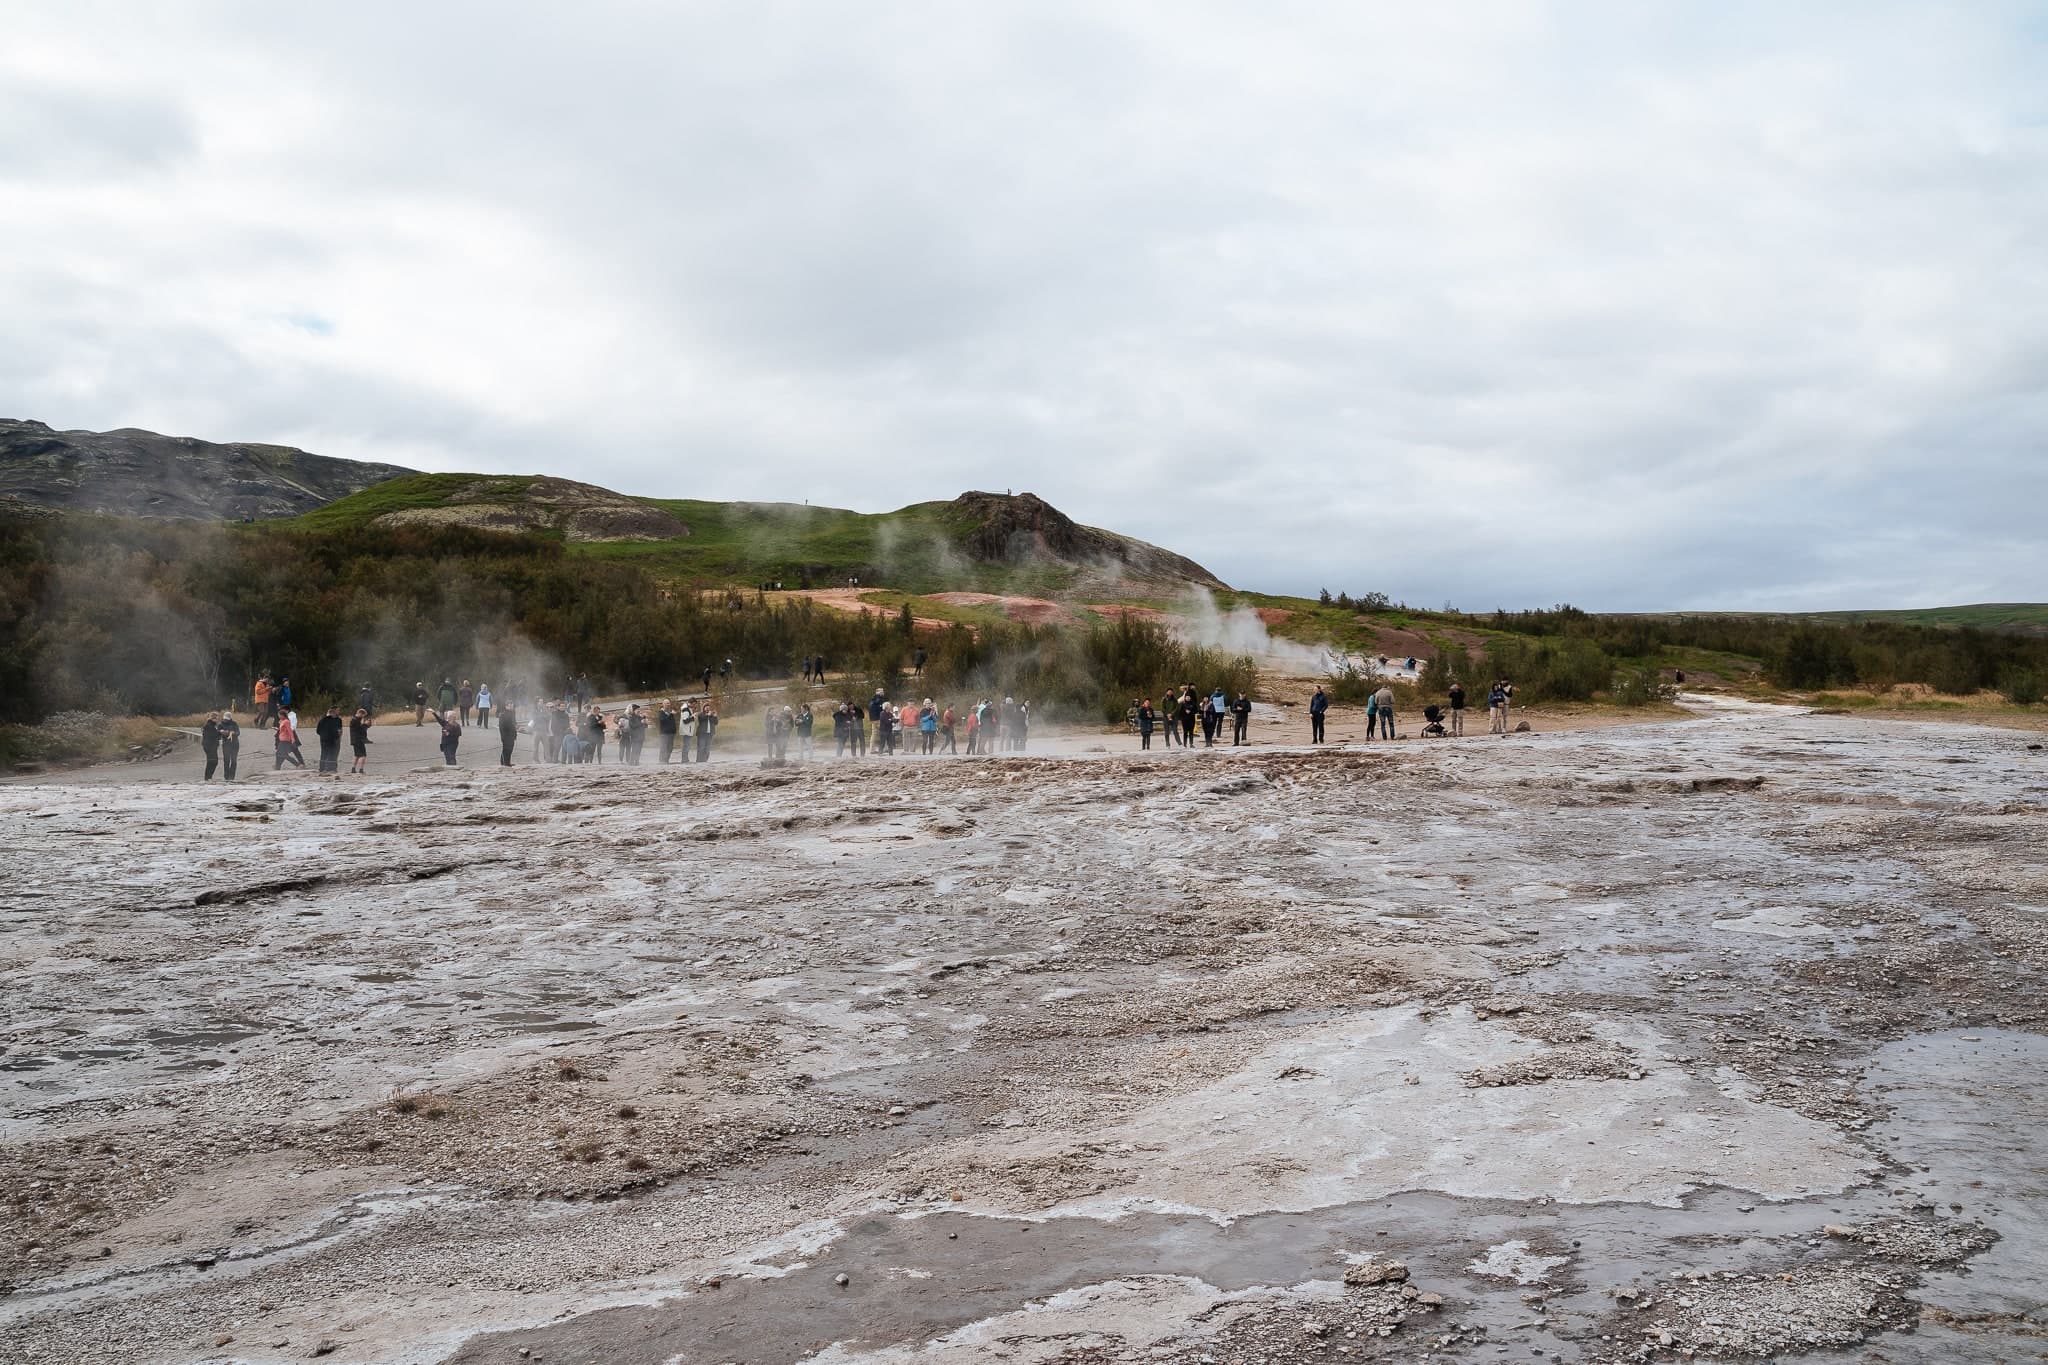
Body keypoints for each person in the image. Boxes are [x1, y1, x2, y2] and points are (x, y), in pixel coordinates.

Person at [315, 706, 343, 774]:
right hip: (328, 739)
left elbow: (318, 730)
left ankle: (327, 768)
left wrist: (338, 736)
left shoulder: (337, 720)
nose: (337, 712)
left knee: (329, 754)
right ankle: (326, 768)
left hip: (330, 739)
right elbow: (318, 730)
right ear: (332, 712)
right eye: (336, 711)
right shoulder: (326, 720)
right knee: (328, 753)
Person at [217, 713, 241, 781]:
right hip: (226, 744)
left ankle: (232, 777)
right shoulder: (220, 724)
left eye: (227, 719)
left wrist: (232, 733)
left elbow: (238, 733)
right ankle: (226, 777)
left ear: (230, 718)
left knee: (234, 761)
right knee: (226, 761)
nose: (225, 720)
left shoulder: (234, 723)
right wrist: (221, 732)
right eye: (225, 719)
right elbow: (218, 734)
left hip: (234, 744)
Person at [349, 708, 372, 774]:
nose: (363, 717)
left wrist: (366, 724)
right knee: (363, 755)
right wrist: (365, 724)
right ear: (360, 713)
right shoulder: (355, 720)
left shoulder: (355, 719)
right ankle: (361, 769)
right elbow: (360, 730)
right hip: (358, 740)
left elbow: (360, 728)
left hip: (355, 740)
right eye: (363, 715)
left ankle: (353, 769)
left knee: (356, 755)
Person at [201, 713, 222, 779]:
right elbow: (213, 735)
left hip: (212, 746)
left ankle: (209, 777)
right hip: (209, 746)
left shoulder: (213, 725)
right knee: (212, 762)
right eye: (217, 719)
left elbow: (215, 735)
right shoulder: (208, 725)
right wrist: (220, 733)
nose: (218, 720)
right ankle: (207, 777)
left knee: (213, 762)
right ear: (213, 719)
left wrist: (219, 733)